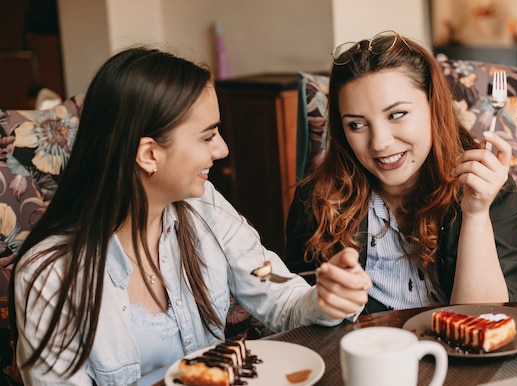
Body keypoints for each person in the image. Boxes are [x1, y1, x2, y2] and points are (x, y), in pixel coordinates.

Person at [10, 47, 371, 385]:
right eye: (207, 136)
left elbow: (279, 299)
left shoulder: (204, 209)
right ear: (149, 154)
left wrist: (323, 300)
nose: (222, 149)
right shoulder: (50, 277)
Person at [285, 31, 517, 314]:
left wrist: (475, 213)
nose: (380, 143)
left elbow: (486, 322)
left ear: (433, 108)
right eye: (357, 125)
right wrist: (322, 300)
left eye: (396, 114)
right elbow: (297, 312)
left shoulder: (487, 187)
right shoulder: (318, 198)